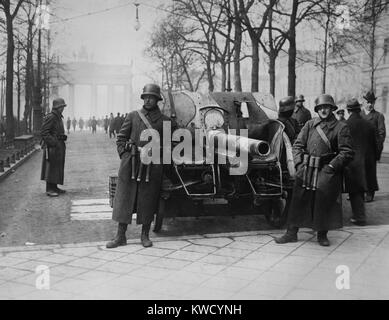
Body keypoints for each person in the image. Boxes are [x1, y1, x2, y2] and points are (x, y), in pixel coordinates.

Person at [275, 94, 354, 246]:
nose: (324, 110)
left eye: (327, 107)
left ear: (332, 109)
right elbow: (298, 145)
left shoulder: (340, 127)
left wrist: (331, 167)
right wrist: (298, 165)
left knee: (323, 201)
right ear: (317, 109)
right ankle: (291, 233)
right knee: (298, 200)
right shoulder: (310, 124)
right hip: (307, 168)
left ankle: (322, 234)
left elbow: (347, 152)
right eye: (320, 107)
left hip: (326, 169)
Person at [106, 84, 176, 249]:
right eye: (146, 97)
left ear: (157, 100)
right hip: (131, 164)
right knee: (125, 199)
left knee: (148, 199)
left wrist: (161, 164)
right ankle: (120, 236)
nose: (148, 99)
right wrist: (125, 156)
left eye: (152, 97)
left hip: (153, 166)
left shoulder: (165, 121)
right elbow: (121, 139)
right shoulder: (132, 116)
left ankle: (145, 235)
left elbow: (169, 147)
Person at [344, 98, 377, 226]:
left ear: (348, 110)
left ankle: (359, 217)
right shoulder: (369, 124)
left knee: (355, 191)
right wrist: (374, 158)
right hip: (367, 162)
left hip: (352, 163)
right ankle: (359, 215)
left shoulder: (346, 125)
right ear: (358, 109)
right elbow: (376, 145)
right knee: (361, 190)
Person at [361, 90, 386, 202]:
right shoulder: (358, 115)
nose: (370, 104)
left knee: (370, 172)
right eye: (368, 102)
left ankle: (370, 193)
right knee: (358, 170)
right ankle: (358, 192)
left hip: (371, 149)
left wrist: (378, 150)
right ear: (364, 102)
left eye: (372, 102)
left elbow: (381, 134)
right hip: (359, 149)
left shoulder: (378, 116)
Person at [40, 98, 68, 197]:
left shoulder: (58, 117)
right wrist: (53, 142)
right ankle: (49, 189)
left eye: (63, 107)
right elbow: (44, 132)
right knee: (51, 167)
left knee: (57, 167)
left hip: (58, 146)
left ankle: (54, 186)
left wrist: (62, 137)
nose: (63, 109)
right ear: (57, 107)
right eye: (61, 107)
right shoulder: (51, 117)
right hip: (52, 147)